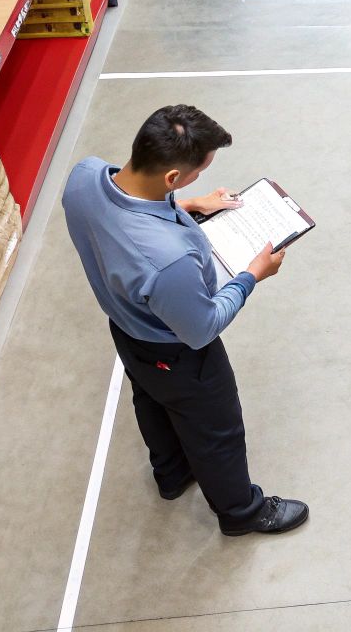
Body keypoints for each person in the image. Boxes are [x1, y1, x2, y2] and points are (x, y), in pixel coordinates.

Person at [61, 104, 308, 535]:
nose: (200, 179)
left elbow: (126, 202)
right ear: (171, 175)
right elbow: (201, 327)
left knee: (152, 399)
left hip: (127, 330)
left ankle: (172, 474)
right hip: (179, 355)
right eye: (196, 174)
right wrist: (253, 275)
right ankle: (241, 513)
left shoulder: (84, 177)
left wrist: (188, 203)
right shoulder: (168, 261)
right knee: (217, 431)